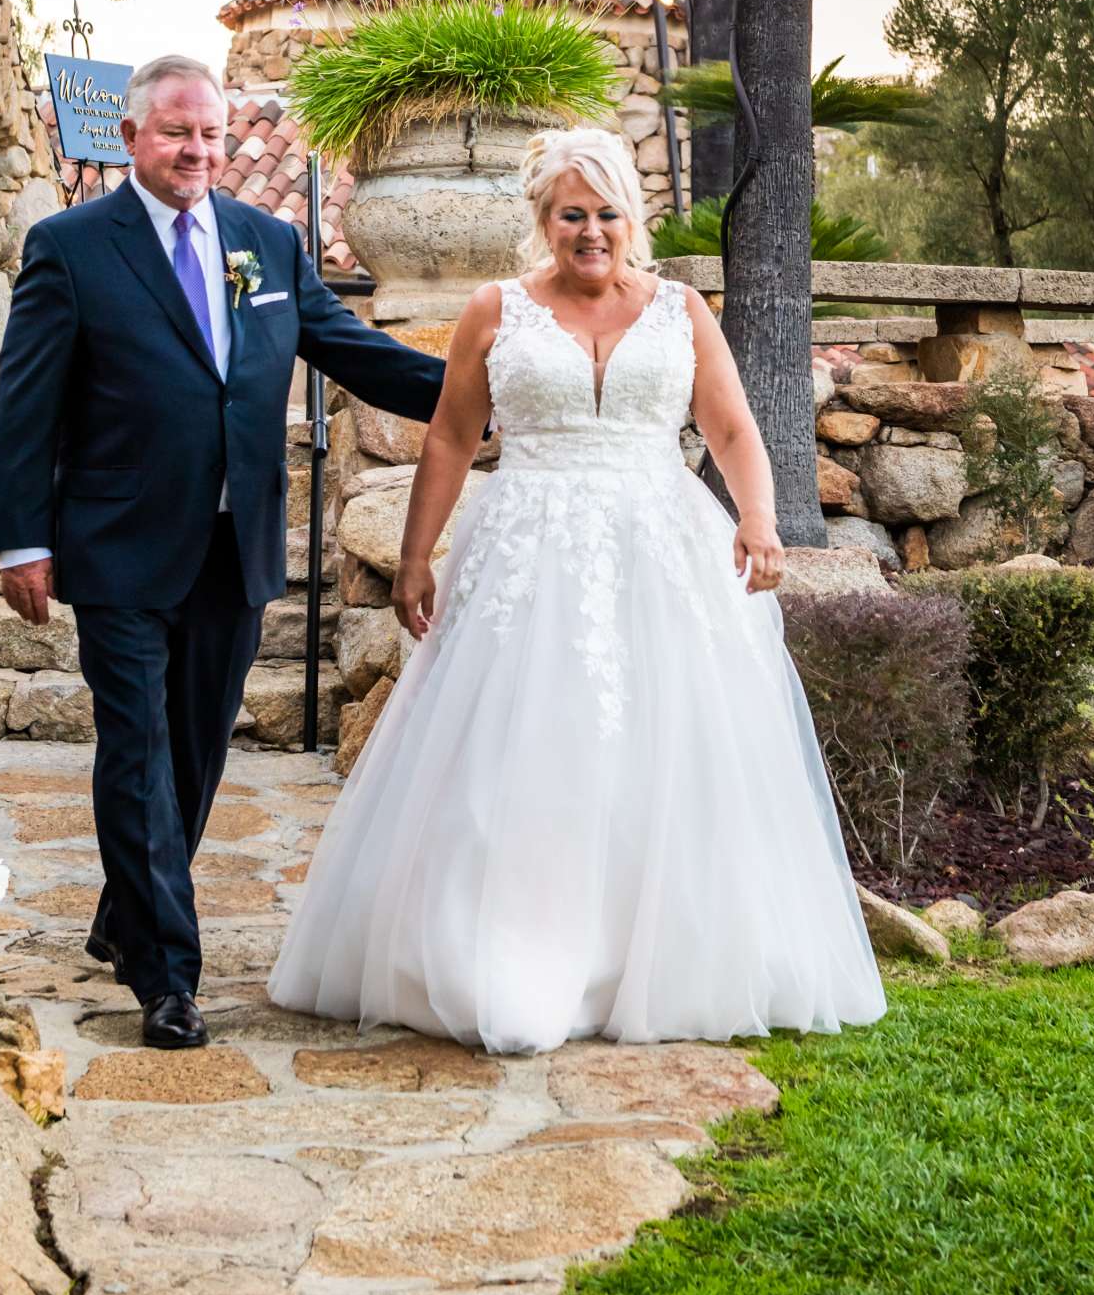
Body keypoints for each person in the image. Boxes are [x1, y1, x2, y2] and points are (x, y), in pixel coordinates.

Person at [269, 126, 885, 1052]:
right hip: (527, 546)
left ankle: (668, 955)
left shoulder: (681, 310)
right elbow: (448, 437)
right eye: (570, 214)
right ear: (542, 220)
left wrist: (758, 518)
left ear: (631, 218)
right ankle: (507, 953)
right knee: (525, 742)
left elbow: (730, 426)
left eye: (606, 213)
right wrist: (413, 556)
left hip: (660, 543)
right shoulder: (495, 309)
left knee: (666, 740)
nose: (589, 232)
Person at [0, 54, 444, 1050]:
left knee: (194, 750)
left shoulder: (266, 242)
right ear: (132, 138)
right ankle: (166, 976)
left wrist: (477, 393)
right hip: (115, 542)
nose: (197, 152)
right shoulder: (69, 248)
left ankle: (125, 915)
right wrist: (20, 537)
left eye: (210, 135)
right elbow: (24, 405)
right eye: (176, 134)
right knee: (139, 749)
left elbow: (350, 350)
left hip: (235, 542)